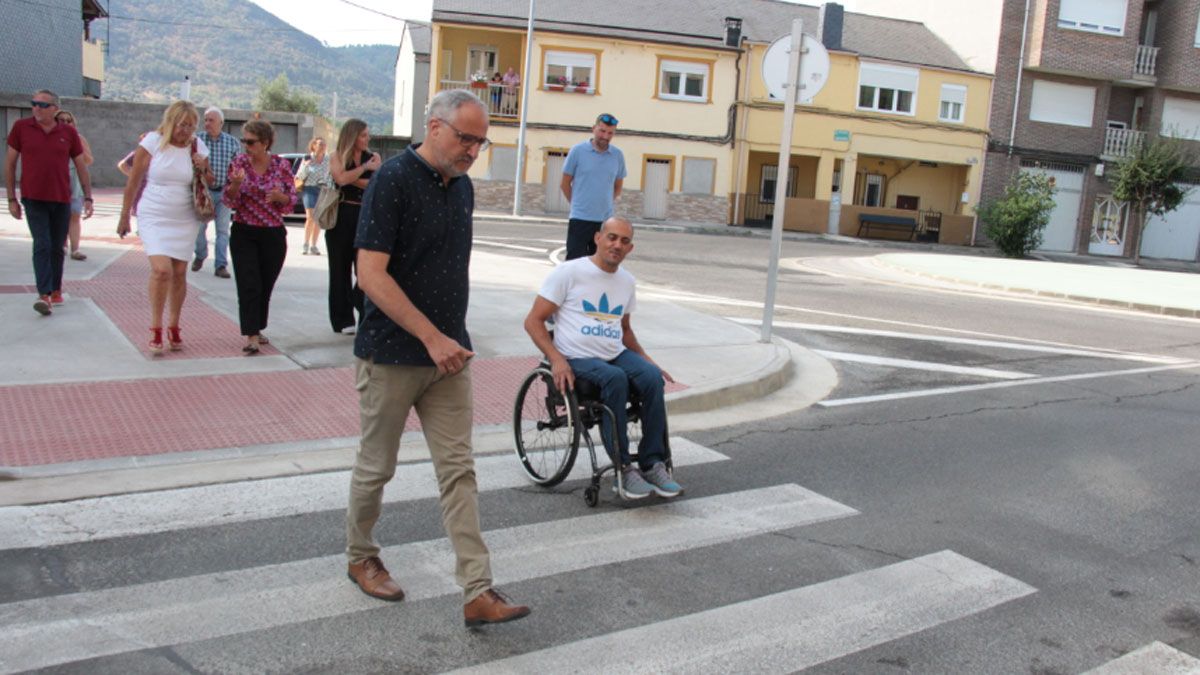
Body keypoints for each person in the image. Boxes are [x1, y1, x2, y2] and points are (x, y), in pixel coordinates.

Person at [346, 88, 530, 628]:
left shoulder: (463, 188)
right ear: (434, 127)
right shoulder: (393, 181)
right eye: (465, 137)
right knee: (377, 467)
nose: (473, 149)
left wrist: (447, 339)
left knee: (459, 473)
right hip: (392, 355)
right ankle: (361, 556)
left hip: (450, 356)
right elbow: (370, 275)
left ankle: (477, 589)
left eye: (481, 141)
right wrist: (431, 337)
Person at [523, 216, 682, 500]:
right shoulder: (569, 273)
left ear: (630, 248)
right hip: (576, 356)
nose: (617, 245)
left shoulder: (626, 281)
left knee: (651, 379)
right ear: (598, 238)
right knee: (615, 379)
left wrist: (648, 361)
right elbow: (533, 321)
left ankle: (652, 463)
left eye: (624, 241)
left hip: (614, 352)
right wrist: (556, 359)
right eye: (612, 237)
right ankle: (623, 469)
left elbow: (625, 330)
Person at [116, 100, 213, 354]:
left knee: (179, 272)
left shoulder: (196, 145)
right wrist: (125, 215)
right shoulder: (152, 141)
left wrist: (203, 167)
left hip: (185, 215)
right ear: (171, 122)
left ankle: (174, 325)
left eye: (191, 126)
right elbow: (134, 180)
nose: (186, 131)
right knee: (161, 271)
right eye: (182, 125)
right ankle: (156, 328)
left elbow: (210, 180)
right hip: (154, 213)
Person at [5, 90, 94, 316]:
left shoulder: (68, 133)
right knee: (42, 244)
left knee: (57, 247)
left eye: (42, 105)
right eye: (34, 104)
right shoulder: (21, 128)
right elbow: (10, 164)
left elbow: (81, 165)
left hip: (62, 198)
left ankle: (55, 288)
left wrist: (88, 196)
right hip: (33, 198)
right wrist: (11, 199)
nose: (36, 108)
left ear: (55, 108)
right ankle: (43, 294)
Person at [222, 119, 296, 355]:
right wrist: (235, 185)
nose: (246, 146)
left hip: (273, 233)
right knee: (249, 283)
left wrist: (279, 197)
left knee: (265, 284)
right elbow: (229, 200)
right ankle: (251, 335)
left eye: (251, 142)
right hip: (244, 230)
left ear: (265, 143)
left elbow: (292, 199)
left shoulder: (281, 165)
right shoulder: (239, 164)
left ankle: (258, 326)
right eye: (244, 140)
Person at [327, 119, 381, 335]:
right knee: (339, 269)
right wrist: (365, 169)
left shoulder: (374, 157)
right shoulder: (338, 156)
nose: (367, 139)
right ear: (352, 136)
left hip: (365, 215)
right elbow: (340, 179)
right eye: (363, 135)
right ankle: (342, 319)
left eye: (367, 134)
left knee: (366, 269)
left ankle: (364, 312)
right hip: (341, 215)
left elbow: (376, 183)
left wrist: (352, 177)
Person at [560, 113, 626, 260]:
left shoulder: (617, 156)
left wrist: (606, 204)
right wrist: (576, 203)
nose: (605, 136)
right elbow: (565, 183)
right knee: (574, 262)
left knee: (600, 264)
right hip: (580, 219)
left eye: (610, 133)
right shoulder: (577, 151)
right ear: (593, 129)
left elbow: (618, 185)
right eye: (602, 131)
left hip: (604, 222)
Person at [193, 106, 239, 279]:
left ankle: (220, 265)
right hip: (203, 192)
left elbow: (237, 167)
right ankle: (200, 254)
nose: (207, 123)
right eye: (205, 119)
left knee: (222, 230)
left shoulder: (232, 142)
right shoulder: (197, 140)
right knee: (199, 228)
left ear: (221, 122)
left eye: (211, 120)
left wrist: (234, 186)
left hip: (223, 192)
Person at [54, 109, 93, 262]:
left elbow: (89, 160)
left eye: (68, 120)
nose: (64, 123)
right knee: (59, 215)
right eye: (61, 120)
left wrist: (77, 151)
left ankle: (75, 249)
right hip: (56, 180)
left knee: (74, 214)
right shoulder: (51, 137)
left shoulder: (78, 138)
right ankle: (61, 245)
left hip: (74, 180)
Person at [296, 137, 331, 256]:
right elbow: (299, 175)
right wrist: (306, 165)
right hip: (309, 189)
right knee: (310, 217)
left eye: (324, 144)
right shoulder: (307, 158)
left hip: (323, 190)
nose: (322, 146)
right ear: (314, 146)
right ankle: (305, 244)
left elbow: (331, 175)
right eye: (320, 144)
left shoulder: (328, 159)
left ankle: (313, 245)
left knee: (318, 219)